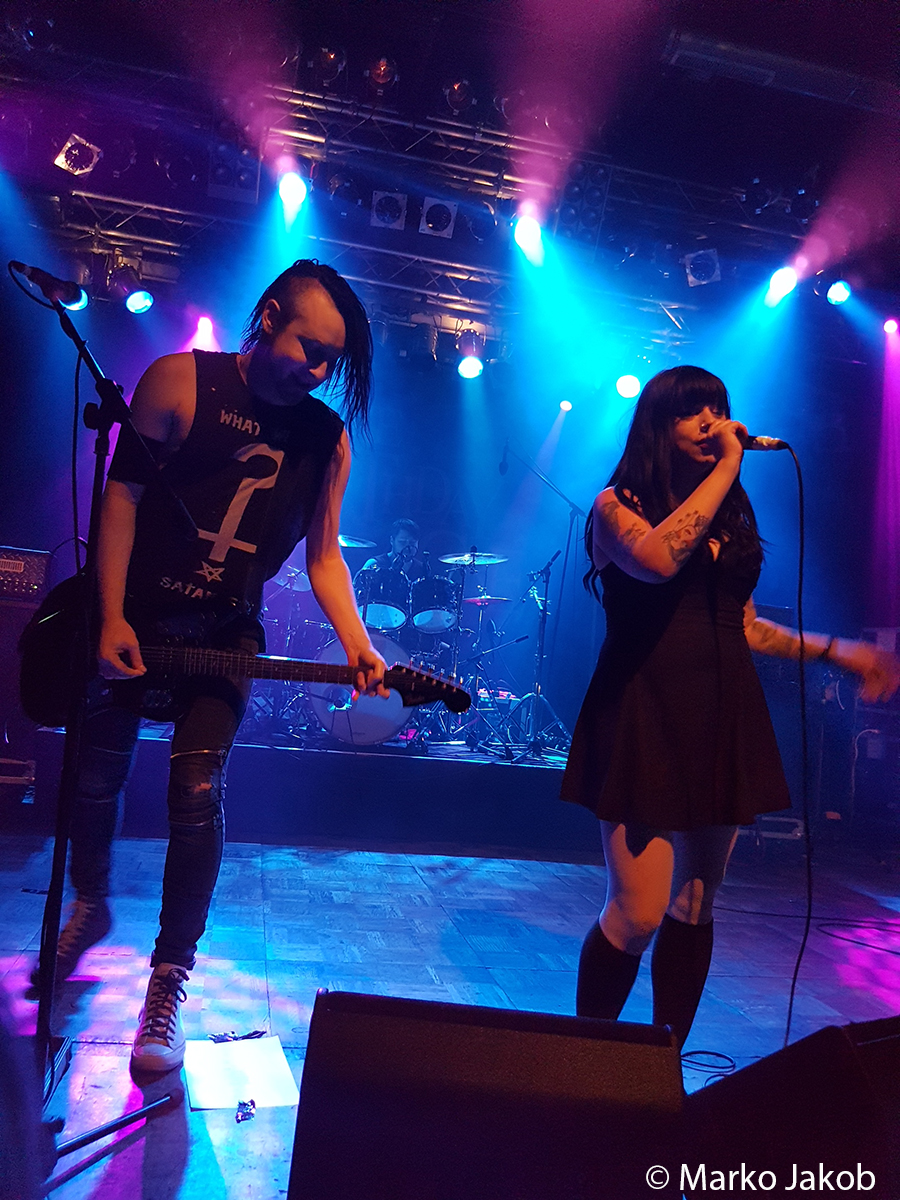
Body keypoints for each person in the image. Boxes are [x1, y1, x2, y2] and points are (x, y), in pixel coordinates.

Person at [33, 259, 388, 1073]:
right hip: (136, 618)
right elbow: (120, 500)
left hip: (225, 634)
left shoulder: (325, 439)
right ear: (269, 317)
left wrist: (358, 642)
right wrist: (111, 616)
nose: (319, 372)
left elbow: (324, 557)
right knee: (95, 779)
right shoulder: (177, 381)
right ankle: (90, 900)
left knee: (196, 792)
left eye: (333, 362)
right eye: (310, 349)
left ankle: (168, 978)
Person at [561, 365, 900, 1049]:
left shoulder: (729, 516)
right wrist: (728, 467)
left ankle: (664, 1067)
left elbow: (744, 626)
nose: (712, 422)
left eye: (718, 407)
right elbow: (659, 560)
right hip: (643, 709)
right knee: (638, 911)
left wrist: (838, 650)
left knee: (695, 902)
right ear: (658, 426)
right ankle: (582, 1062)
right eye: (694, 411)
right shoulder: (615, 505)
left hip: (719, 710)